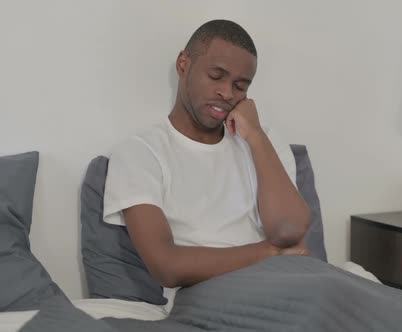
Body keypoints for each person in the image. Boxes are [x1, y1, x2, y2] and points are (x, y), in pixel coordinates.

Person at [102, 19, 311, 301]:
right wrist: (270, 253)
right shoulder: (139, 153)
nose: (227, 93)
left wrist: (257, 137)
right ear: (183, 64)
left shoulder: (261, 140)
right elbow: (167, 266)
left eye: (240, 86)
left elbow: (289, 229)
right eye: (216, 76)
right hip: (211, 295)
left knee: (364, 297)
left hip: (287, 283)